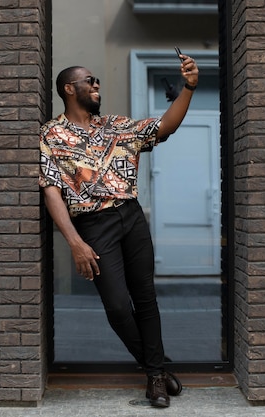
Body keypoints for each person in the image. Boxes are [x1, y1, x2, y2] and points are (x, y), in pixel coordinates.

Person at [39, 53, 199, 408]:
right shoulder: (51, 134)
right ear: (69, 89)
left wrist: (188, 87)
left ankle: (155, 377)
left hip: (131, 216)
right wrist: (75, 243)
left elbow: (164, 127)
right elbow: (51, 191)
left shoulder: (115, 125)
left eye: (97, 81)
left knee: (145, 299)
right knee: (116, 306)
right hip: (93, 225)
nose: (96, 85)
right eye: (89, 80)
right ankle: (155, 366)